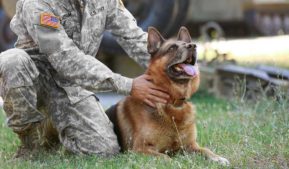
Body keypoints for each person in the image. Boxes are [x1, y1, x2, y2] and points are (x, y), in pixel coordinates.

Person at [0, 0, 169, 157]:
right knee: (12, 61)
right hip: (35, 78)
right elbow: (65, 59)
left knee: (105, 149)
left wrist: (170, 62)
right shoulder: (38, 3)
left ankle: (52, 130)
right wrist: (128, 85)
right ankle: (31, 143)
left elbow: (133, 37)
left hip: (70, 86)